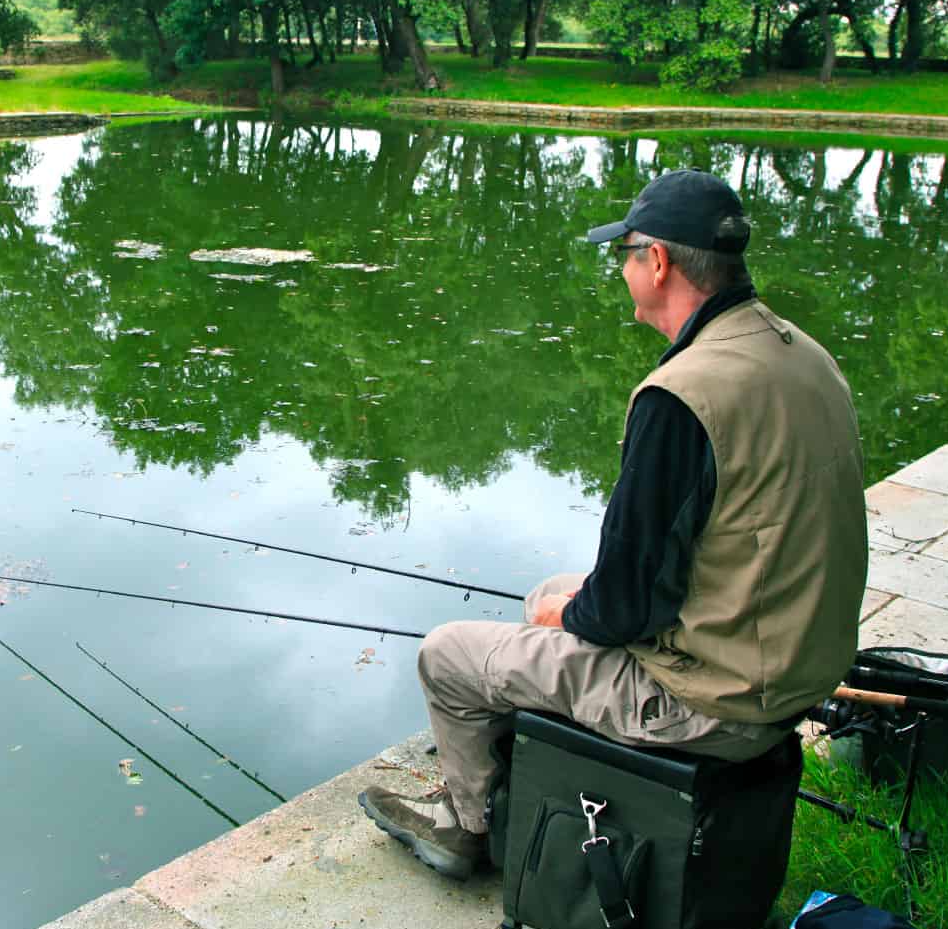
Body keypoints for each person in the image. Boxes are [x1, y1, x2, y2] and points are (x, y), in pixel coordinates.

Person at [358, 168, 869, 881]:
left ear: (656, 261)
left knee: (450, 653)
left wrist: (569, 613)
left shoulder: (682, 397)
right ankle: (530, 769)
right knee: (550, 592)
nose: (624, 270)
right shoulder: (804, 356)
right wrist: (570, 604)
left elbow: (625, 606)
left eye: (627, 253)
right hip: (799, 664)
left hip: (713, 703)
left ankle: (463, 826)